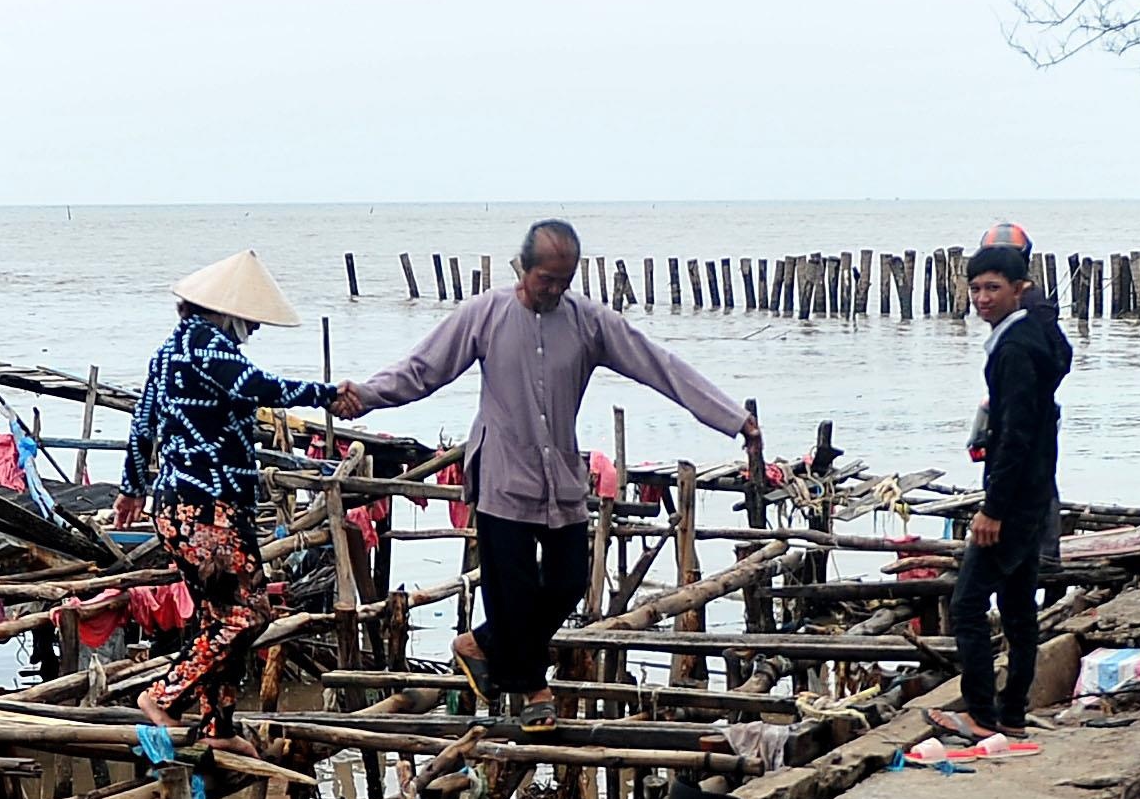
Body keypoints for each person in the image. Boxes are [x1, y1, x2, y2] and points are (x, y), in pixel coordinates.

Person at [337, 218, 758, 728]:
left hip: (559, 475)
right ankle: (536, 690)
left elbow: (659, 365)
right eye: (546, 280)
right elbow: (423, 370)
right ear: (524, 269)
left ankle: (481, 643)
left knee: (567, 581)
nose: (556, 290)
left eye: (565, 280)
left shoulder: (589, 323)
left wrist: (732, 418)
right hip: (501, 475)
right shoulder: (485, 315)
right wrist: (366, 395)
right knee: (510, 590)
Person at [116, 249, 339, 731]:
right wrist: (330, 395)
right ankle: (161, 696)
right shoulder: (206, 345)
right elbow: (258, 386)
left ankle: (218, 727)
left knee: (220, 618)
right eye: (250, 319)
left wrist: (133, 487)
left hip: (185, 508)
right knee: (247, 616)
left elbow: (141, 428)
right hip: (206, 511)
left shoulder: (170, 352)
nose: (254, 329)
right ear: (227, 311)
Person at [948, 232, 1072, 739]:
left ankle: (980, 711)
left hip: (1016, 499)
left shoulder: (1017, 347)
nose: (982, 299)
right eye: (975, 289)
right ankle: (1013, 715)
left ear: (1020, 289)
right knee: (1019, 608)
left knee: (968, 604)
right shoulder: (1034, 337)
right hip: (1036, 491)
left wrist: (992, 508)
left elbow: (1016, 437)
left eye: (993, 288)